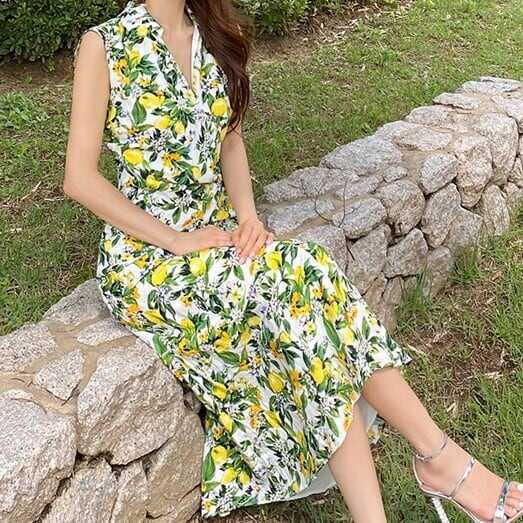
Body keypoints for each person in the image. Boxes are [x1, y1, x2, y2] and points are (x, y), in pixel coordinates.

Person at [64, 1, 523, 521]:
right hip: (148, 261)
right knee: (297, 287)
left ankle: (411, 482)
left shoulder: (209, 33)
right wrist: (175, 240)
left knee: (310, 293)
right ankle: (439, 460)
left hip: (218, 236)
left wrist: (248, 217)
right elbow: (79, 178)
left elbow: (230, 140)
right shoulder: (105, 45)